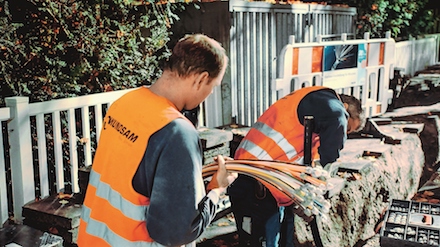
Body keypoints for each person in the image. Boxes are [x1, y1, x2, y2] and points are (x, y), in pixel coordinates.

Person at [77, 34, 236, 247]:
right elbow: (177, 232)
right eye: (212, 87)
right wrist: (216, 189)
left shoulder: (124, 103)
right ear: (200, 79)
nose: (209, 94)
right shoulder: (176, 133)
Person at [228, 86, 365, 247]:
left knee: (281, 237)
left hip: (269, 183)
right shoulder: (333, 108)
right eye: (348, 128)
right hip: (258, 181)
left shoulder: (311, 101)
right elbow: (334, 135)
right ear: (346, 107)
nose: (345, 133)